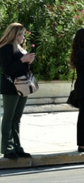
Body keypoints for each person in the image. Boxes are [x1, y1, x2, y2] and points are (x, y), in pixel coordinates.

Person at [0, 23, 35, 159]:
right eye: (20, 34)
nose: (23, 37)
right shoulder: (5, 48)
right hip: (10, 87)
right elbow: (7, 69)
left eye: (23, 34)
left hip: (23, 86)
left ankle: (17, 146)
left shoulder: (20, 48)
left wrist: (28, 62)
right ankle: (7, 148)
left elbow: (22, 68)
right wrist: (22, 60)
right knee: (8, 117)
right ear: (14, 35)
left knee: (17, 118)